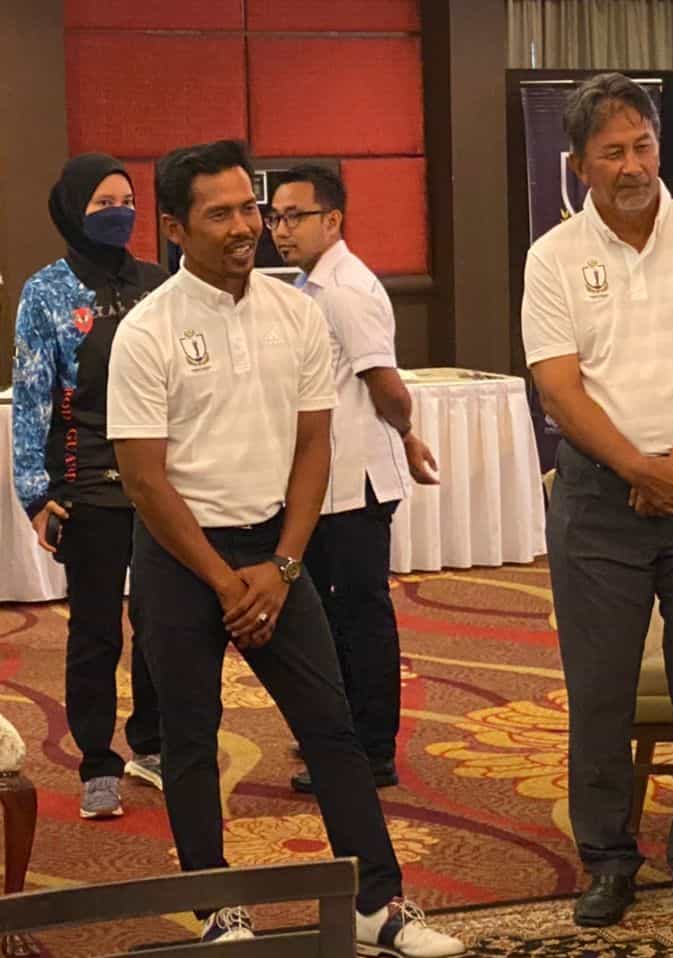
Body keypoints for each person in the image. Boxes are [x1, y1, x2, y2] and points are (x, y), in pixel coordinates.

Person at [106, 139, 463, 956]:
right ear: (174, 228)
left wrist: (284, 566)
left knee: (332, 727)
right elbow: (145, 480)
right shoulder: (148, 330)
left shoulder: (297, 313)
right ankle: (217, 911)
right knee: (190, 738)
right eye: (220, 213)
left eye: (250, 209)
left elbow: (314, 448)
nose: (245, 227)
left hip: (276, 552)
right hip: (179, 555)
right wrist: (221, 581)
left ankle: (377, 903)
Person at [522, 73, 673, 928]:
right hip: (598, 500)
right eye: (613, 152)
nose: (632, 166)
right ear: (579, 165)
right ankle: (608, 862)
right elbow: (558, 387)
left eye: (644, 146)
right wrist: (636, 468)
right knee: (600, 692)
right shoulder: (553, 257)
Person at [266, 164, 438, 795]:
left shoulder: (345, 289)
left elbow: (386, 385)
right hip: (324, 483)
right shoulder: (310, 285)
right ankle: (342, 732)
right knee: (329, 617)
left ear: (332, 220)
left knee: (359, 618)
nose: (280, 230)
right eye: (275, 217)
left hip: (353, 486)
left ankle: (372, 750)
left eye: (295, 216)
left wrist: (407, 432)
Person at [11, 153, 164, 819]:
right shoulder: (46, 291)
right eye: (104, 203)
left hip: (158, 480)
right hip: (87, 481)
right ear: (75, 210)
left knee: (163, 622)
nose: (118, 213)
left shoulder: (157, 282)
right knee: (97, 631)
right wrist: (34, 492)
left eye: (126, 201)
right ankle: (97, 762)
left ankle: (152, 744)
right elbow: (31, 396)